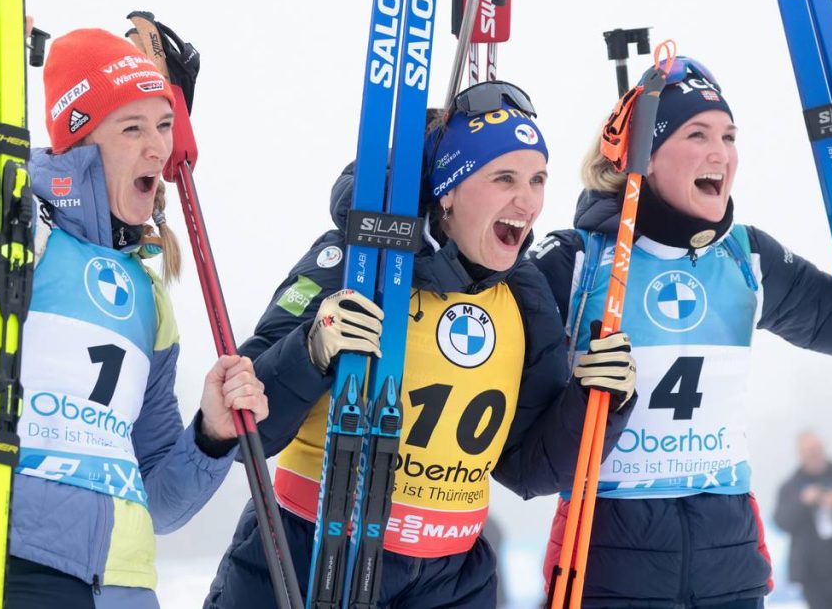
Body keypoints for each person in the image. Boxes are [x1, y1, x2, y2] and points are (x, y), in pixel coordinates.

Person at [0, 0, 270, 609]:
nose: (157, 148)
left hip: (122, 583)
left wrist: (211, 436)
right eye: (132, 128)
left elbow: (159, 501)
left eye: (163, 125)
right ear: (81, 142)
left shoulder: (148, 297)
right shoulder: (6, 220)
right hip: (2, 553)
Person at [204, 82, 637, 608]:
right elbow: (245, 427)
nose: (527, 202)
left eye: (537, 179)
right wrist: (311, 349)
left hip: (450, 580)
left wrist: (597, 401)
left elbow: (530, 467)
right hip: (309, 557)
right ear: (448, 191)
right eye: (503, 178)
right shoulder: (355, 260)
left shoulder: (524, 295)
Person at [528, 55, 832, 607]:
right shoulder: (577, 261)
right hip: (608, 565)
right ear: (645, 156)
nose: (721, 153)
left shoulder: (746, 256)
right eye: (698, 134)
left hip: (728, 567)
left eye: (729, 136)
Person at [774, 432, 832, 609]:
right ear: (801, 455)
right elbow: (781, 521)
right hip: (812, 573)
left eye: (817, 450)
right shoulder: (791, 486)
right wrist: (802, 502)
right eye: (809, 452)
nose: (815, 455)